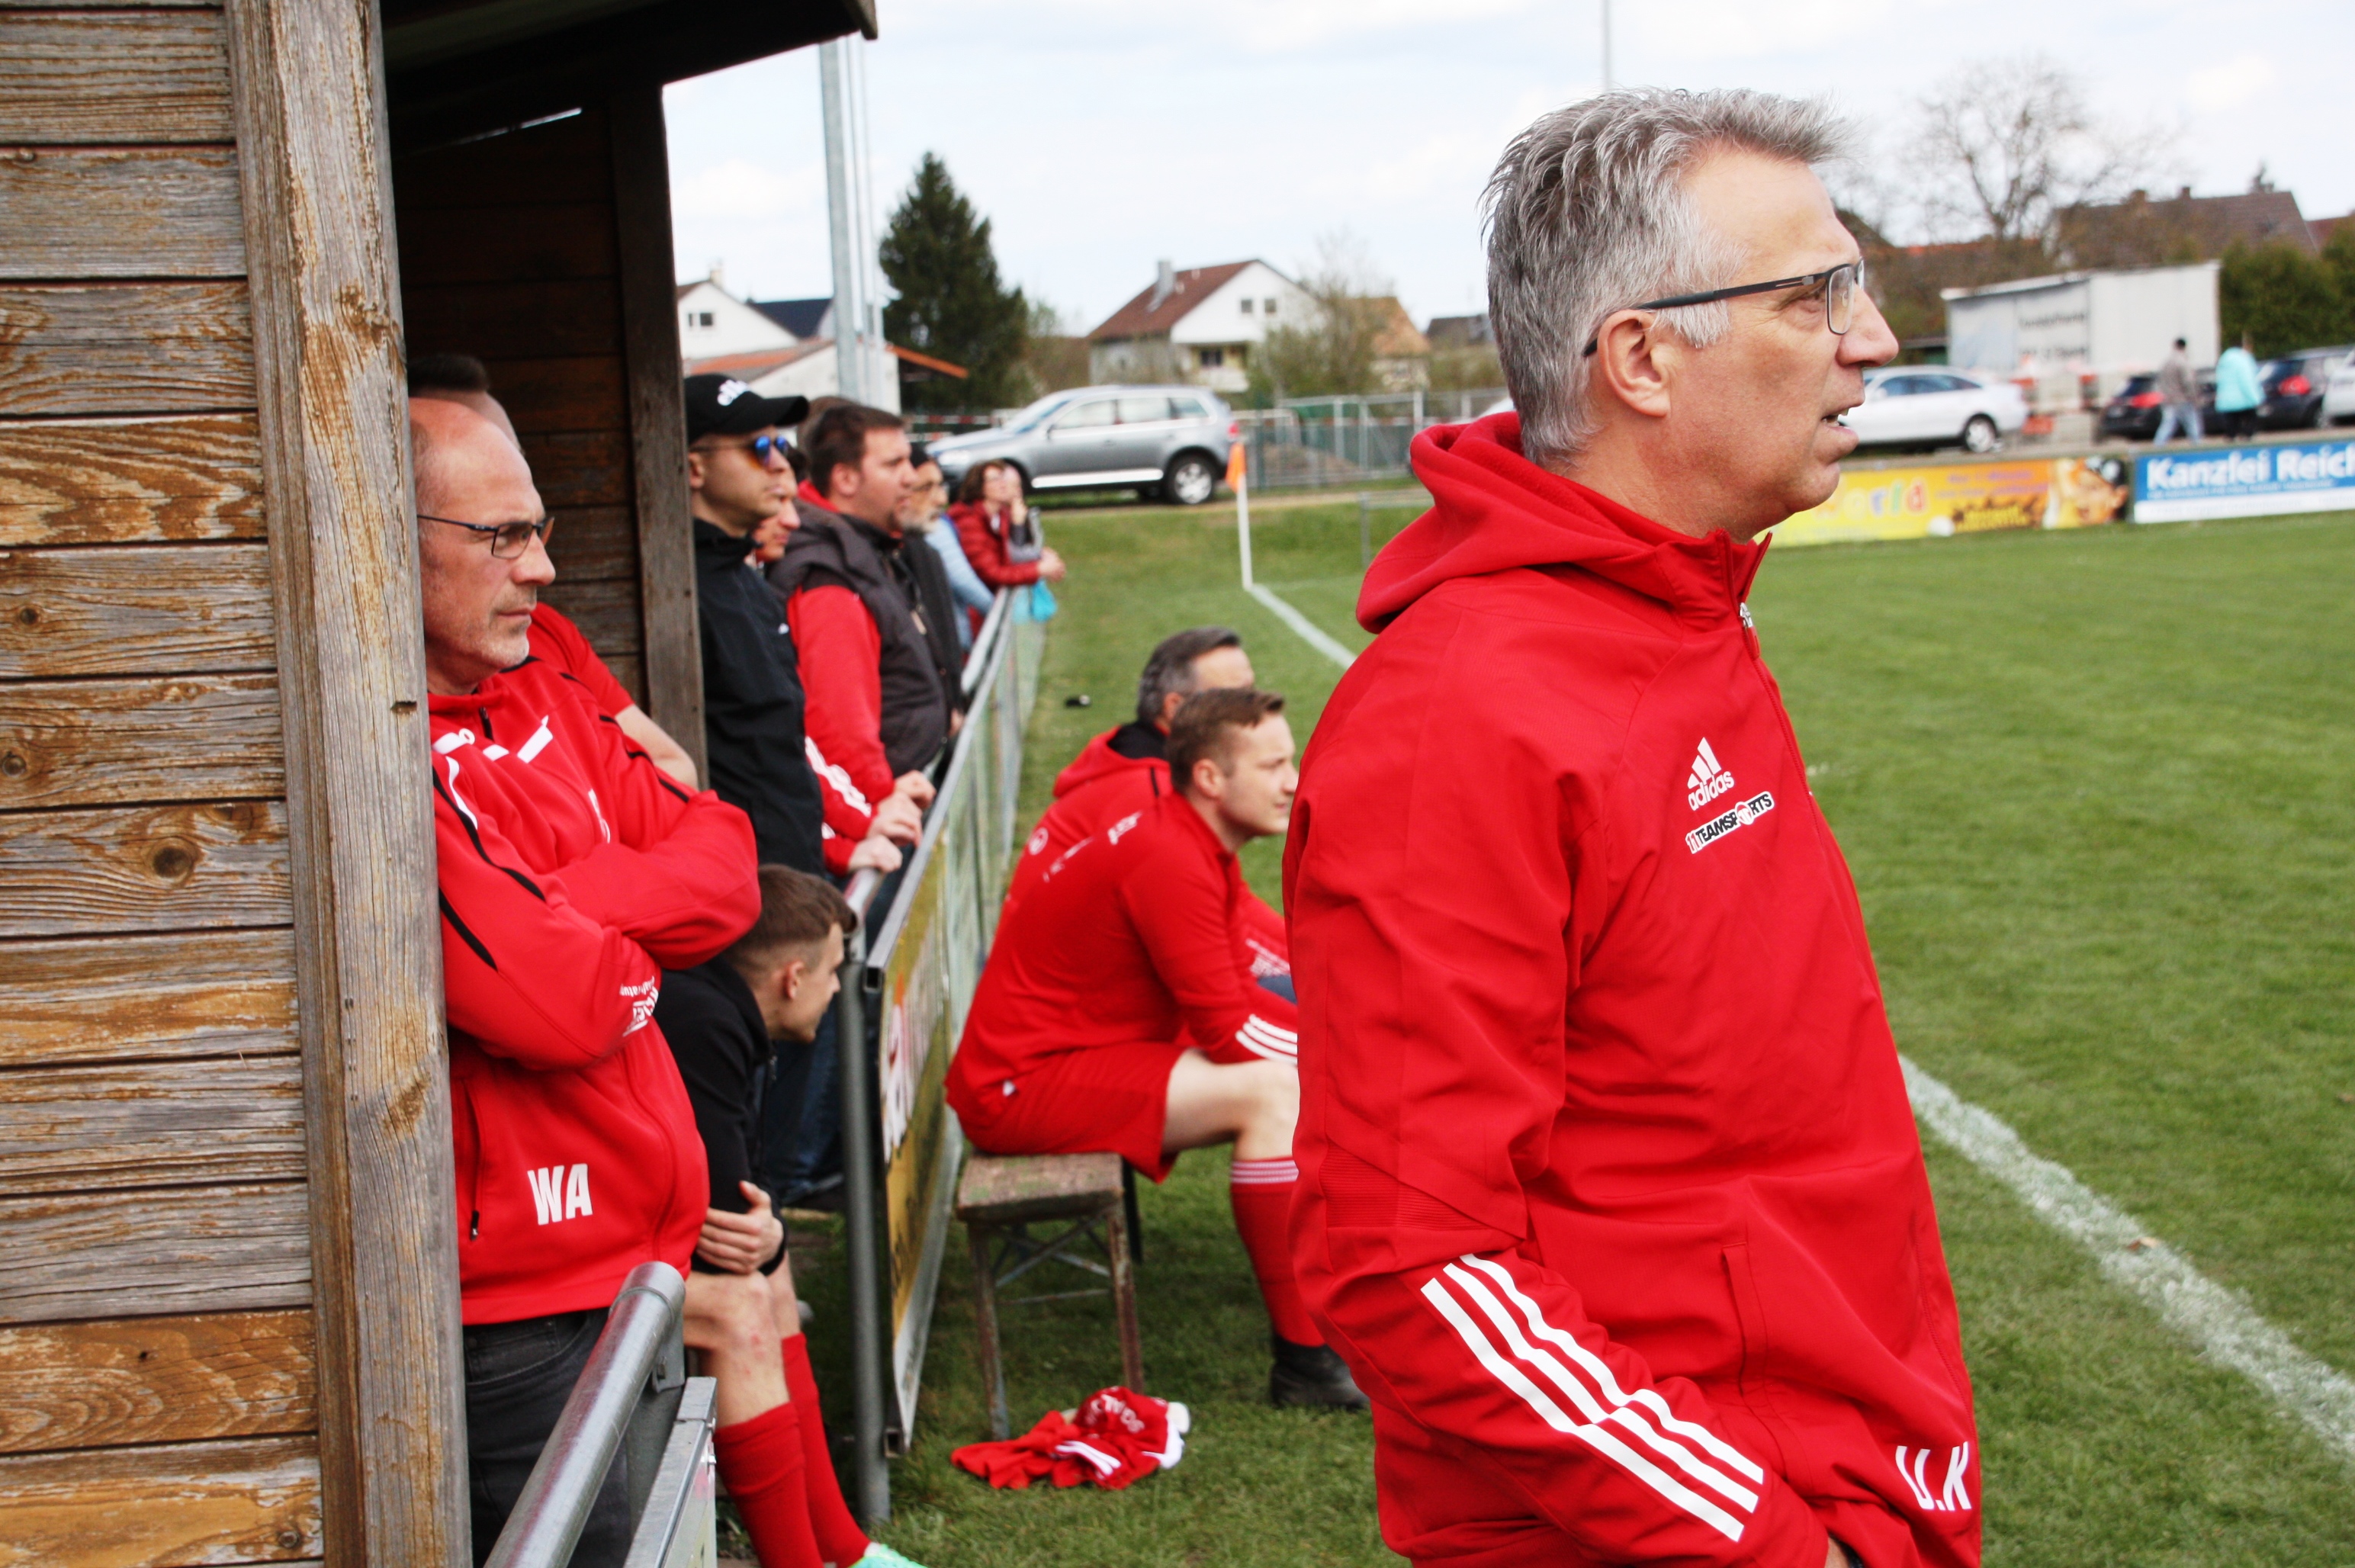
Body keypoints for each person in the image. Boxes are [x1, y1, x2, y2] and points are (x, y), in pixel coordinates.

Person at [1285, 90, 1978, 1568]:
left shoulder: (1677, 607)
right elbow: (1410, 1257)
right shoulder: (1460, 716)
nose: (1868, 338)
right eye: (1811, 294)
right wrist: (1768, 1538)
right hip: (1706, 1520)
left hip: (1840, 1468)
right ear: (1642, 359)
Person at [412, 397, 762, 1565]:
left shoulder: (537, 686)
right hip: (518, 1315)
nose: (543, 568)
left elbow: (727, 867)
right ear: (390, 538)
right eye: (503, 536)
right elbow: (560, 1008)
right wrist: (626, 923)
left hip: (629, 1264)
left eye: (541, 530)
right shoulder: (380, 746)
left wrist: (573, 901)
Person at [947, 688, 1364, 1409]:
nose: (1292, 782)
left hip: (1073, 1057)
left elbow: (1238, 994)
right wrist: (1354, 1061)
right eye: (1272, 766)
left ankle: (1332, 1309)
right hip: (1018, 1085)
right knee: (1273, 1093)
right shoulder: (1169, 854)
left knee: (1294, 1074)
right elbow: (1230, 1032)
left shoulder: (1186, 839)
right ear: (1210, 777)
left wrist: (1344, 1043)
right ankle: (1305, 1362)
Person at [653, 866, 924, 1568]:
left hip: (646, 1239)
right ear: (793, 978)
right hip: (587, 1254)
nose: (837, 990)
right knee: (746, 1299)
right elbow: (728, 1216)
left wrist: (768, 1230)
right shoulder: (705, 1023)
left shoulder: (725, 1013)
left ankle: (842, 1547)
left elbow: (745, 1188)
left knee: (769, 1277)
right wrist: (765, 1231)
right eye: (833, 973)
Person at [409, 352, 699, 786]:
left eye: (512, 450)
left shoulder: (545, 633)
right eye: (478, 447)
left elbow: (676, 774)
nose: (543, 571)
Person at [683, 374, 916, 880]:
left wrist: (853, 828)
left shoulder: (744, 580)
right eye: (759, 448)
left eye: (782, 446)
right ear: (694, 467)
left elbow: (790, 736)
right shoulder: (683, 600)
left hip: (796, 873)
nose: (780, 465)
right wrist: (853, 832)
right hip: (753, 889)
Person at [1004, 627, 1290, 990]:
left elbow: (1231, 905)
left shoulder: (1134, 764)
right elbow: (1216, 932)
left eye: (1252, 691)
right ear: (1175, 708)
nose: (1254, 710)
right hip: (1077, 999)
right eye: (1234, 697)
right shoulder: (1152, 797)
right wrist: (1313, 968)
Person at [767, 403, 952, 815]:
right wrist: (878, 798)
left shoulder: (861, 548)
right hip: (878, 811)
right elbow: (840, 724)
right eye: (894, 464)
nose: (911, 477)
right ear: (846, 479)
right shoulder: (828, 575)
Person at [904, 449, 994, 649]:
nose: (942, 499)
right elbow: (963, 579)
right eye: (926, 488)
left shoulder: (933, 528)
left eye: (940, 486)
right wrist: (996, 612)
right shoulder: (934, 529)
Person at [949, 458, 1067, 592]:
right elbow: (992, 574)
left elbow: (1012, 556)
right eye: (995, 479)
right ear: (979, 487)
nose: (1003, 484)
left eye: (1003, 478)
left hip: (995, 595)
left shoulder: (1001, 515)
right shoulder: (969, 521)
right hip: (978, 599)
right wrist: (1039, 569)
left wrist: (1042, 557)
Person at [2156, 336, 2203, 444]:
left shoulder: (2166, 362)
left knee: (2167, 425)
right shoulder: (2183, 362)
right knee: (2192, 424)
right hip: (2183, 399)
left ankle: (2158, 446)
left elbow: (2161, 381)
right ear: (2184, 347)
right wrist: (2194, 397)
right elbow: (2189, 381)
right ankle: (2198, 446)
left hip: (2169, 399)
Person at [2213, 336, 2262, 441]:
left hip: (2227, 400)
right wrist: (2255, 398)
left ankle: (2231, 439)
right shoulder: (2243, 359)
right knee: (2250, 419)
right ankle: (2247, 437)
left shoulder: (2223, 359)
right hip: (2244, 399)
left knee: (2232, 423)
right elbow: (2247, 380)